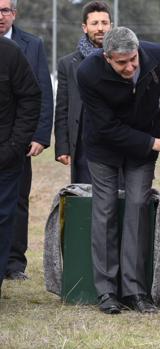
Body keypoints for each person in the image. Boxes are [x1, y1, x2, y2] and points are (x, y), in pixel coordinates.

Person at [77, 27, 160, 314]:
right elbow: (106, 128)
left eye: (133, 59)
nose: (130, 67)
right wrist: (158, 144)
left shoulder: (156, 56)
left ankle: (135, 290)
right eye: (121, 63)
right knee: (105, 211)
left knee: (137, 207)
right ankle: (106, 290)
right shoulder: (87, 72)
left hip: (142, 150)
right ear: (106, 58)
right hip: (104, 148)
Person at [1, 0, 53, 281]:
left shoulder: (31, 44)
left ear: (14, 14)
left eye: (5, 10)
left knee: (17, 200)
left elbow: (41, 91)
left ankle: (14, 261)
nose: (0, 16)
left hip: (18, 141)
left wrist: (39, 135)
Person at [54, 1, 112, 184]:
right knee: (85, 198)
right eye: (95, 23)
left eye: (104, 23)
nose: (100, 28)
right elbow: (63, 107)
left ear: (112, 26)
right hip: (84, 145)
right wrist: (62, 147)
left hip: (117, 141)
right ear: (84, 27)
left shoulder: (126, 58)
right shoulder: (67, 64)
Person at [0, 37, 41, 297]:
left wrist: (14, 146)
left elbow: (31, 98)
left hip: (5, 157)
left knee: (3, 220)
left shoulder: (10, 54)